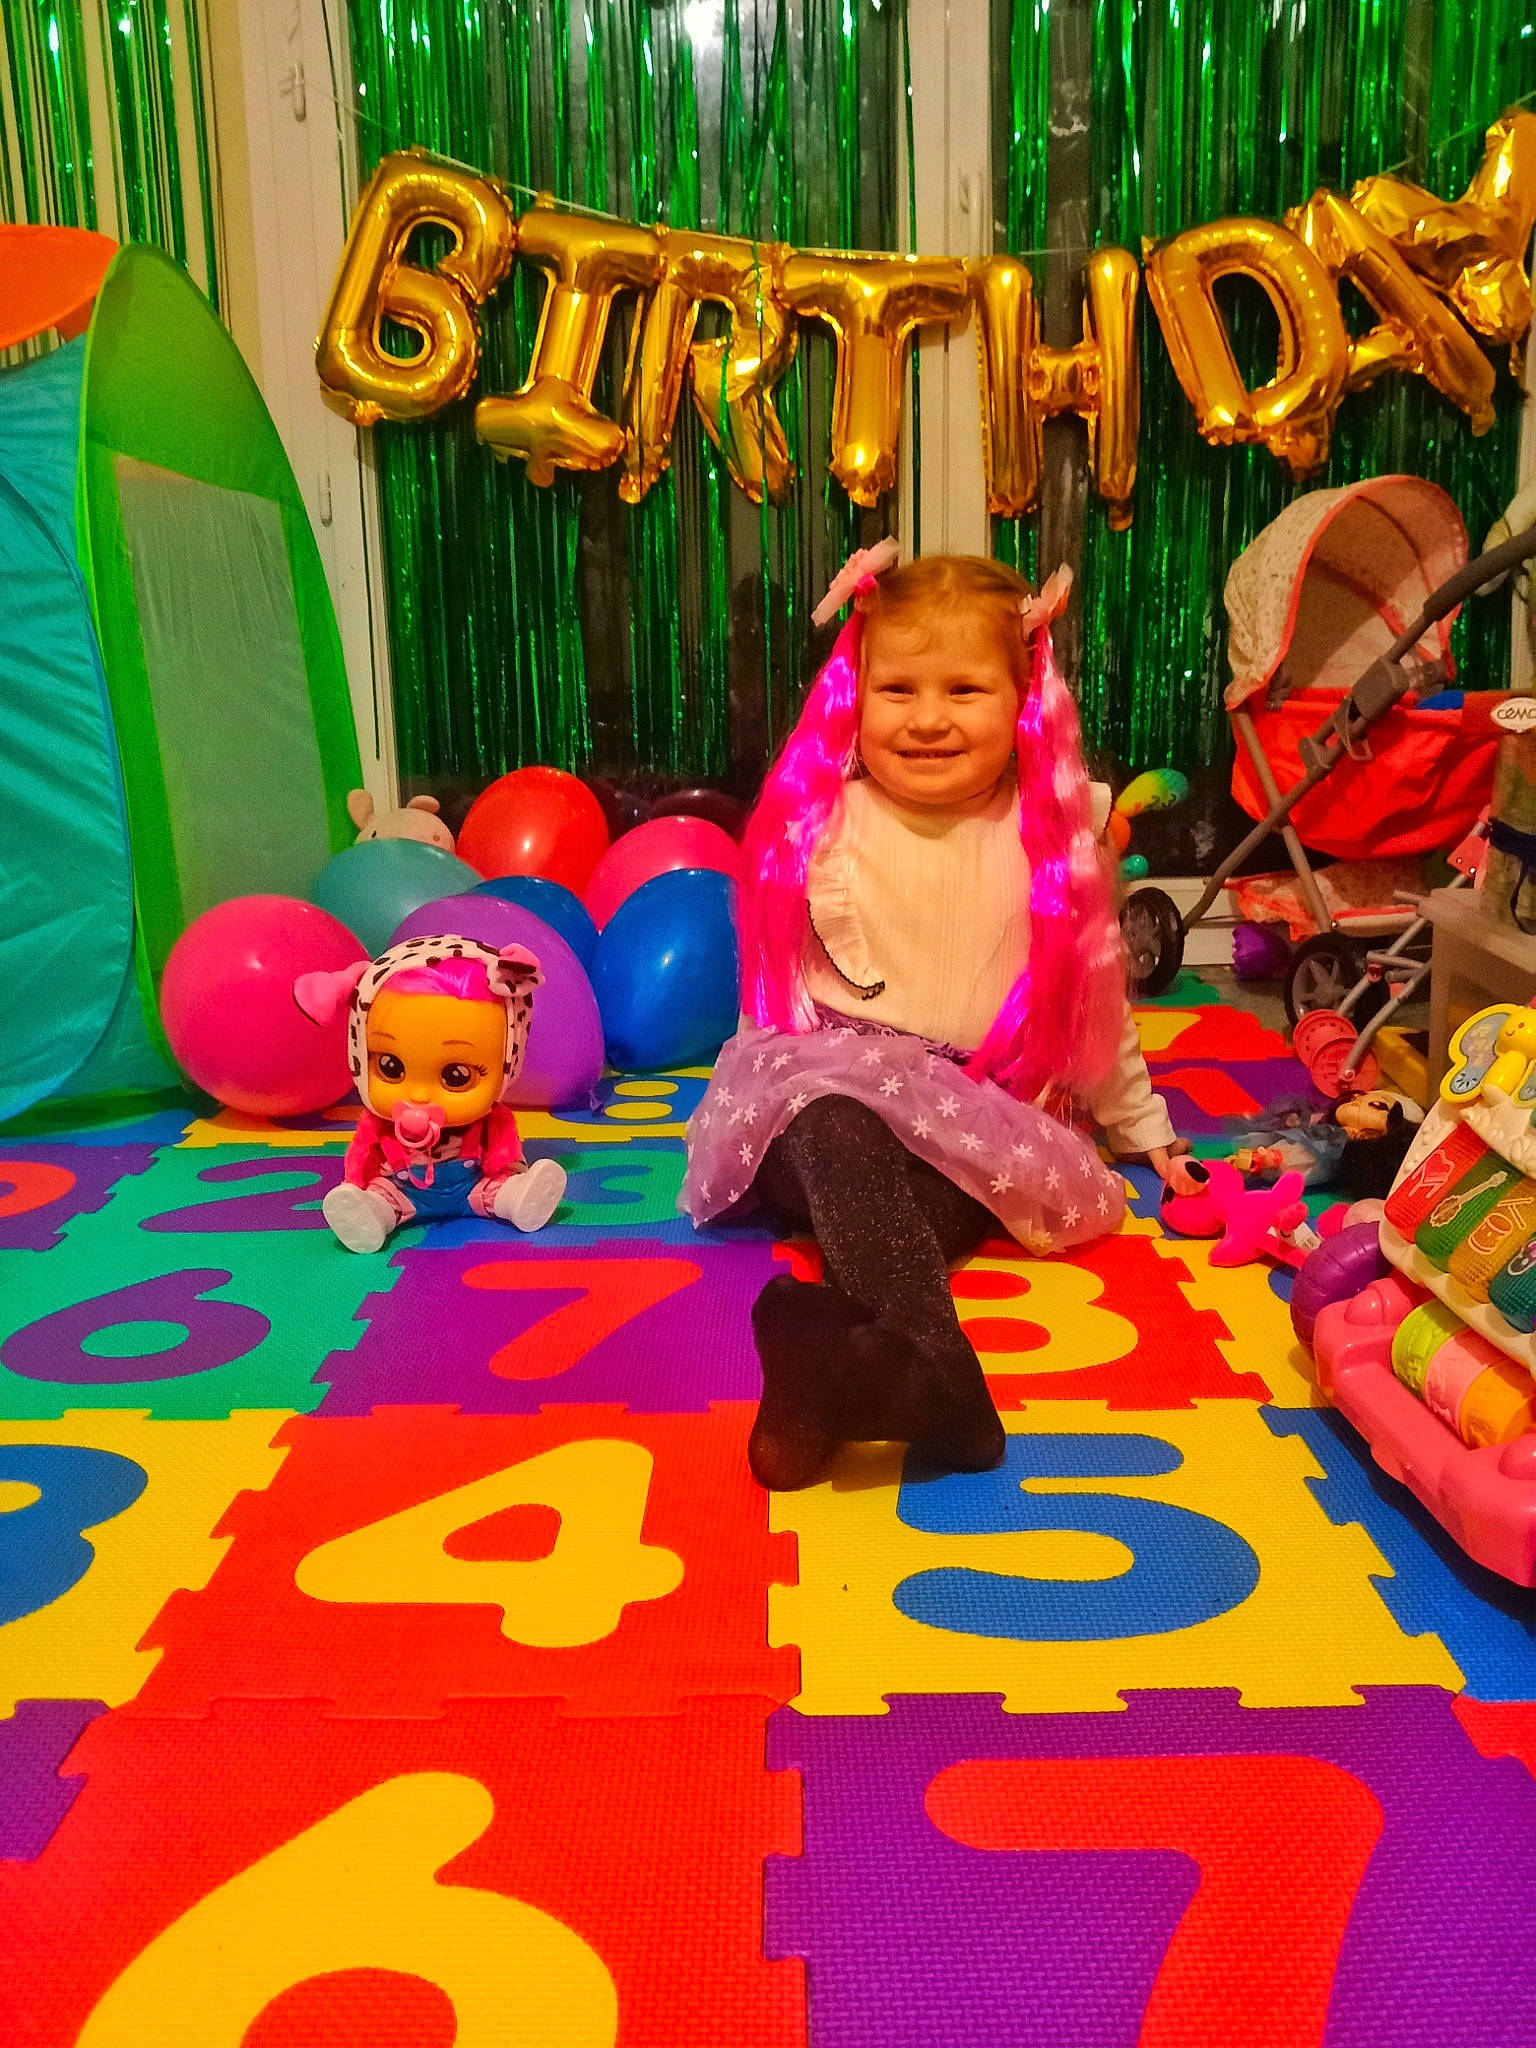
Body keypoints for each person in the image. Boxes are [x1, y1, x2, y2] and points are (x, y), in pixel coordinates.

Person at [681, 545, 1198, 1489]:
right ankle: (949, 1396)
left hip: (976, 1124)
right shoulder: (824, 819)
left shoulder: (1048, 833)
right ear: (855, 695)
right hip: (827, 1103)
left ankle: (828, 1394)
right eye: (898, 690)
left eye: (964, 690)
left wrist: (1147, 1134)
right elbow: (781, 996)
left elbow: (1098, 1001)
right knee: (839, 1138)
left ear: (1022, 698)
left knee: (904, 1218)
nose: (926, 719)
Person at [293, 934, 568, 1251]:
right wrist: (355, 1184)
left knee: (499, 1188)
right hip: (402, 1190)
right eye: (390, 1068)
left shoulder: (491, 1119)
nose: (420, 1095)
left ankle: (516, 1198)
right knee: (381, 1196)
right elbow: (363, 1153)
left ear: (508, 1064)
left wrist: (508, 1171)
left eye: (456, 1076)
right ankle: (373, 1214)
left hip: (473, 1185)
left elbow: (502, 1147)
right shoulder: (378, 1122)